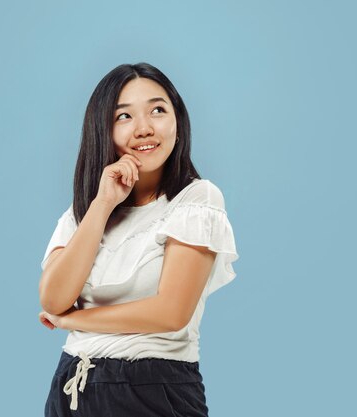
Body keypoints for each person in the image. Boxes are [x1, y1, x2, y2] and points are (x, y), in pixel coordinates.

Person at [38, 62, 239, 417]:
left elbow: (170, 312)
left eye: (158, 110)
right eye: (124, 117)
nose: (144, 128)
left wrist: (74, 320)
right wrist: (102, 205)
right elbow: (54, 298)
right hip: (73, 386)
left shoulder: (196, 200)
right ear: (103, 129)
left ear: (178, 122)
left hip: (151, 389)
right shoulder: (85, 210)